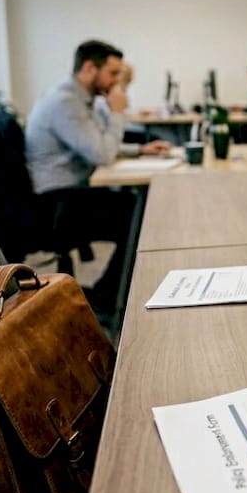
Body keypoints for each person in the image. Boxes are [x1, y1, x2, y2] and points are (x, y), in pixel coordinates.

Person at [25, 39, 171, 309]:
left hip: (67, 195)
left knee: (138, 207)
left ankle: (108, 291)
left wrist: (139, 149)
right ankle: (109, 296)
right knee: (141, 214)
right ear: (90, 68)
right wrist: (117, 112)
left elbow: (98, 143)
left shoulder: (79, 99)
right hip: (55, 206)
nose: (117, 82)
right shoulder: (65, 102)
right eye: (113, 73)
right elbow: (101, 153)